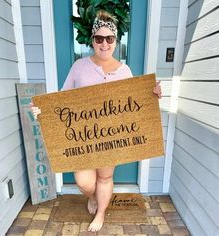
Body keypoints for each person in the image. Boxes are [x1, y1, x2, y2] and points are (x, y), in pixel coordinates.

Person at [31, 10, 161, 232]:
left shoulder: (124, 71)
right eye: (99, 38)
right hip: (82, 137)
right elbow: (62, 98)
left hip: (111, 135)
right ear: (92, 40)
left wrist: (152, 95)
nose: (104, 44)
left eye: (109, 39)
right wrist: (43, 110)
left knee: (105, 176)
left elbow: (135, 102)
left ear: (115, 40)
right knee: (83, 181)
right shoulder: (79, 67)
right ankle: (93, 197)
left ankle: (100, 211)